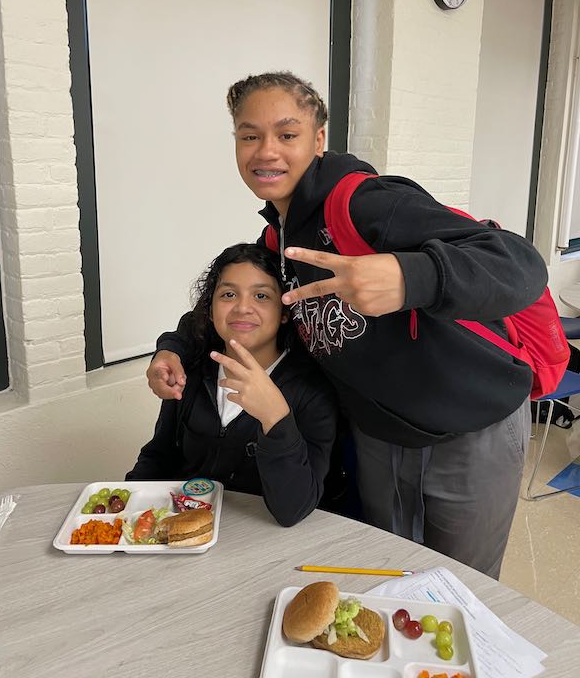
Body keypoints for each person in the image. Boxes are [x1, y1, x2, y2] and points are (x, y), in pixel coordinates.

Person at [147, 72, 548, 577]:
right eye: (250, 136)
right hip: (378, 437)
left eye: (287, 134)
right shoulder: (279, 242)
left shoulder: (365, 202)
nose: (266, 151)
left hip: (469, 429)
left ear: (318, 140)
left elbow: (520, 264)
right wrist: (173, 348)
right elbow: (227, 305)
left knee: (462, 588)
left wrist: (408, 276)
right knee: (389, 575)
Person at [129, 242, 338, 527]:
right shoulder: (191, 371)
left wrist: (275, 419)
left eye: (261, 296)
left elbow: (294, 509)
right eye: (228, 294)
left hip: (263, 539)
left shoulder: (312, 390)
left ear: (285, 311)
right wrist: (126, 515)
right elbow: (159, 457)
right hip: (185, 529)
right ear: (210, 309)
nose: (242, 308)